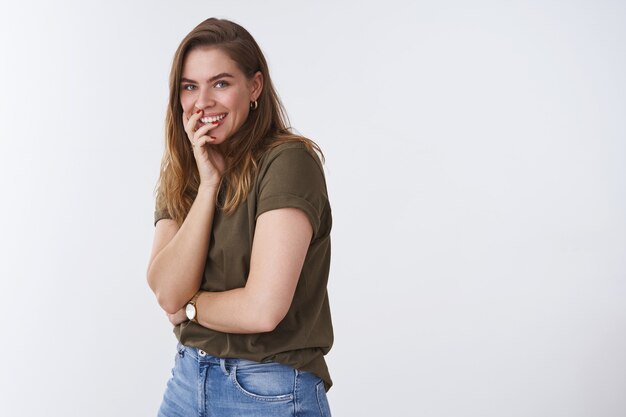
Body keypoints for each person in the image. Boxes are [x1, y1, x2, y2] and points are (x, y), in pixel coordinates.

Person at [146, 17, 333, 417]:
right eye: (190, 86)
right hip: (186, 379)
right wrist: (209, 186)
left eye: (221, 83)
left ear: (255, 87)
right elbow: (165, 291)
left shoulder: (288, 162)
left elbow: (263, 309)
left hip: (269, 390)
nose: (203, 102)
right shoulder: (185, 168)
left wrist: (191, 308)